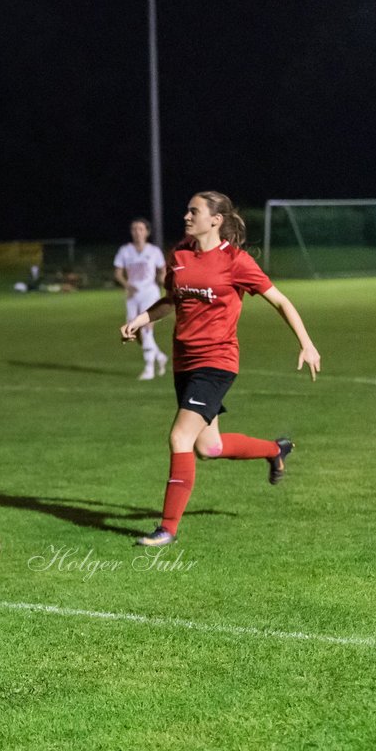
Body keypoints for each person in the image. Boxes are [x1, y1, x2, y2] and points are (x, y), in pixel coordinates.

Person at [120, 192, 321, 547]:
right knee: (208, 447)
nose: (185, 215)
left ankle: (167, 529)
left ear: (215, 219)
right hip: (185, 362)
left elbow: (280, 300)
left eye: (193, 211)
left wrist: (306, 342)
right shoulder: (179, 255)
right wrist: (140, 318)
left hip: (217, 363)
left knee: (179, 437)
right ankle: (275, 450)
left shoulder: (236, 261)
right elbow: (172, 300)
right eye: (186, 209)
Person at [114, 218, 167, 379]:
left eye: (141, 229)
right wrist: (127, 284)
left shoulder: (154, 251)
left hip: (150, 293)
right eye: (134, 229)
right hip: (133, 294)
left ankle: (149, 368)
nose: (137, 232)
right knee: (134, 332)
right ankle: (159, 356)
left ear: (147, 232)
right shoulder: (125, 251)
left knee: (146, 328)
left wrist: (162, 281)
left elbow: (162, 270)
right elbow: (118, 273)